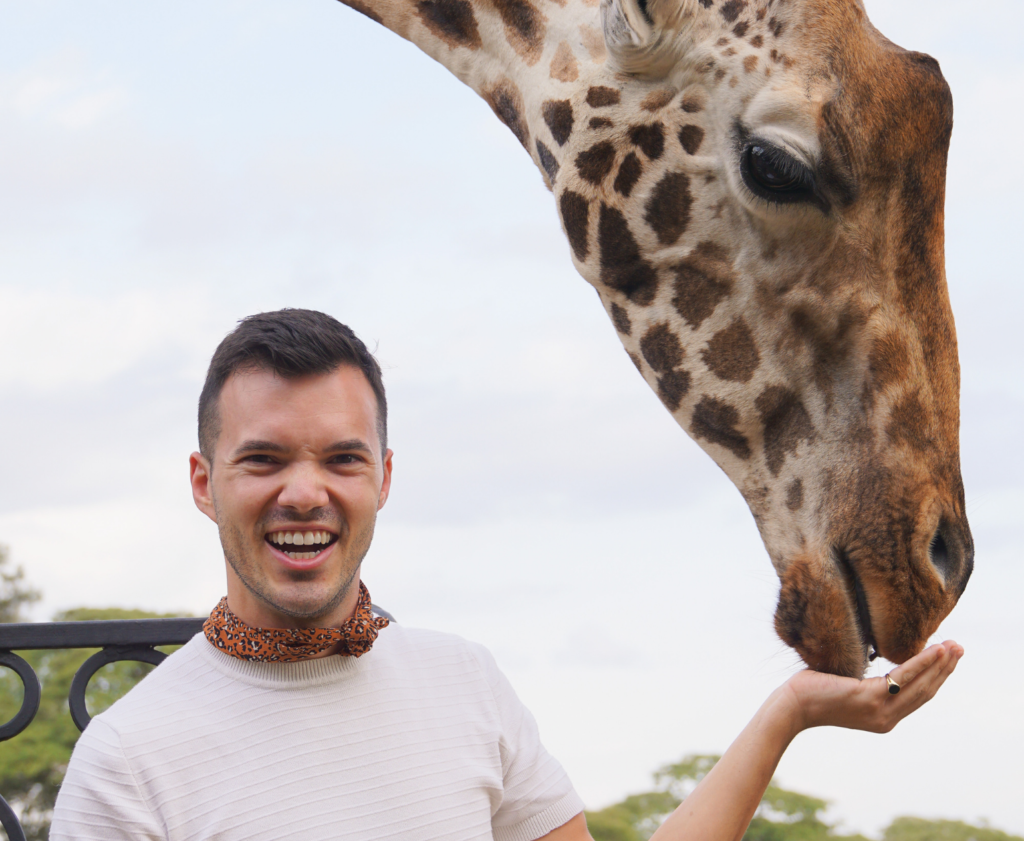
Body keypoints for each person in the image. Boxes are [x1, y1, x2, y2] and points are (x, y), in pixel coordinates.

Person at [50, 309, 963, 841]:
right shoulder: (128, 765)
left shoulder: (462, 681)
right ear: (206, 486)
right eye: (263, 461)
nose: (305, 493)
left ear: (383, 479)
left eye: (340, 458)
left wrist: (788, 713)